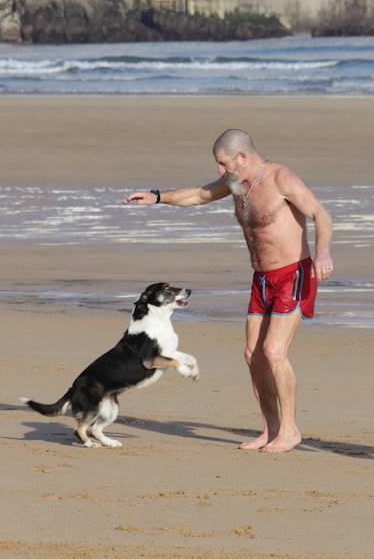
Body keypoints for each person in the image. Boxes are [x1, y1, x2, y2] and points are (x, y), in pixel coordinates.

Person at [124, 129, 334, 453]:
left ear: (242, 157)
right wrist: (157, 196)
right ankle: (271, 428)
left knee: (274, 351)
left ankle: (291, 430)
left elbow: (321, 214)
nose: (220, 171)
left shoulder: (281, 178)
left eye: (223, 164)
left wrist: (323, 253)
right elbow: (199, 195)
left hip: (293, 274)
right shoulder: (236, 184)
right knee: (253, 354)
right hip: (261, 279)